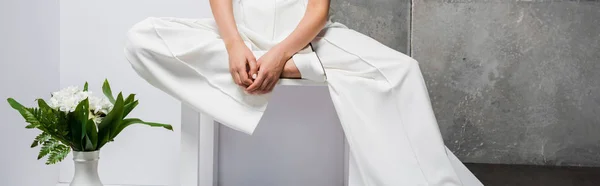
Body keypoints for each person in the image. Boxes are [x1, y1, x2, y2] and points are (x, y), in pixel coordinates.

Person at [123, 0, 484, 185]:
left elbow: (318, 11)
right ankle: (261, 66)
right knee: (142, 38)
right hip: (244, 38)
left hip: (305, 41)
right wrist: (233, 45)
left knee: (402, 72)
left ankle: (294, 67)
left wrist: (281, 56)